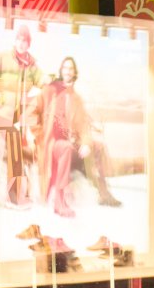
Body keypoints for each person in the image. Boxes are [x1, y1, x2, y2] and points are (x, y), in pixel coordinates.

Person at [30, 56, 120, 217]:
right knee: (65, 147)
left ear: (74, 73)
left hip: (71, 144)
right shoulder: (50, 90)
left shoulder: (77, 99)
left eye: (71, 68)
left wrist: (85, 143)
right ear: (61, 70)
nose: (67, 71)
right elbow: (31, 112)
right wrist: (40, 135)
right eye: (65, 67)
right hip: (53, 144)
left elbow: (83, 126)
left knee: (98, 146)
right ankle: (59, 201)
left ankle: (104, 193)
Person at [0, 24, 47, 206]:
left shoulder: (32, 65)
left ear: (29, 43)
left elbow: (44, 82)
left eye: (25, 40)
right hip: (1, 114)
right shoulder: (2, 58)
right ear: (15, 40)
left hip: (20, 119)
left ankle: (14, 196)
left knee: (16, 158)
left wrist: (34, 95)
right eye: (20, 39)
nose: (22, 43)